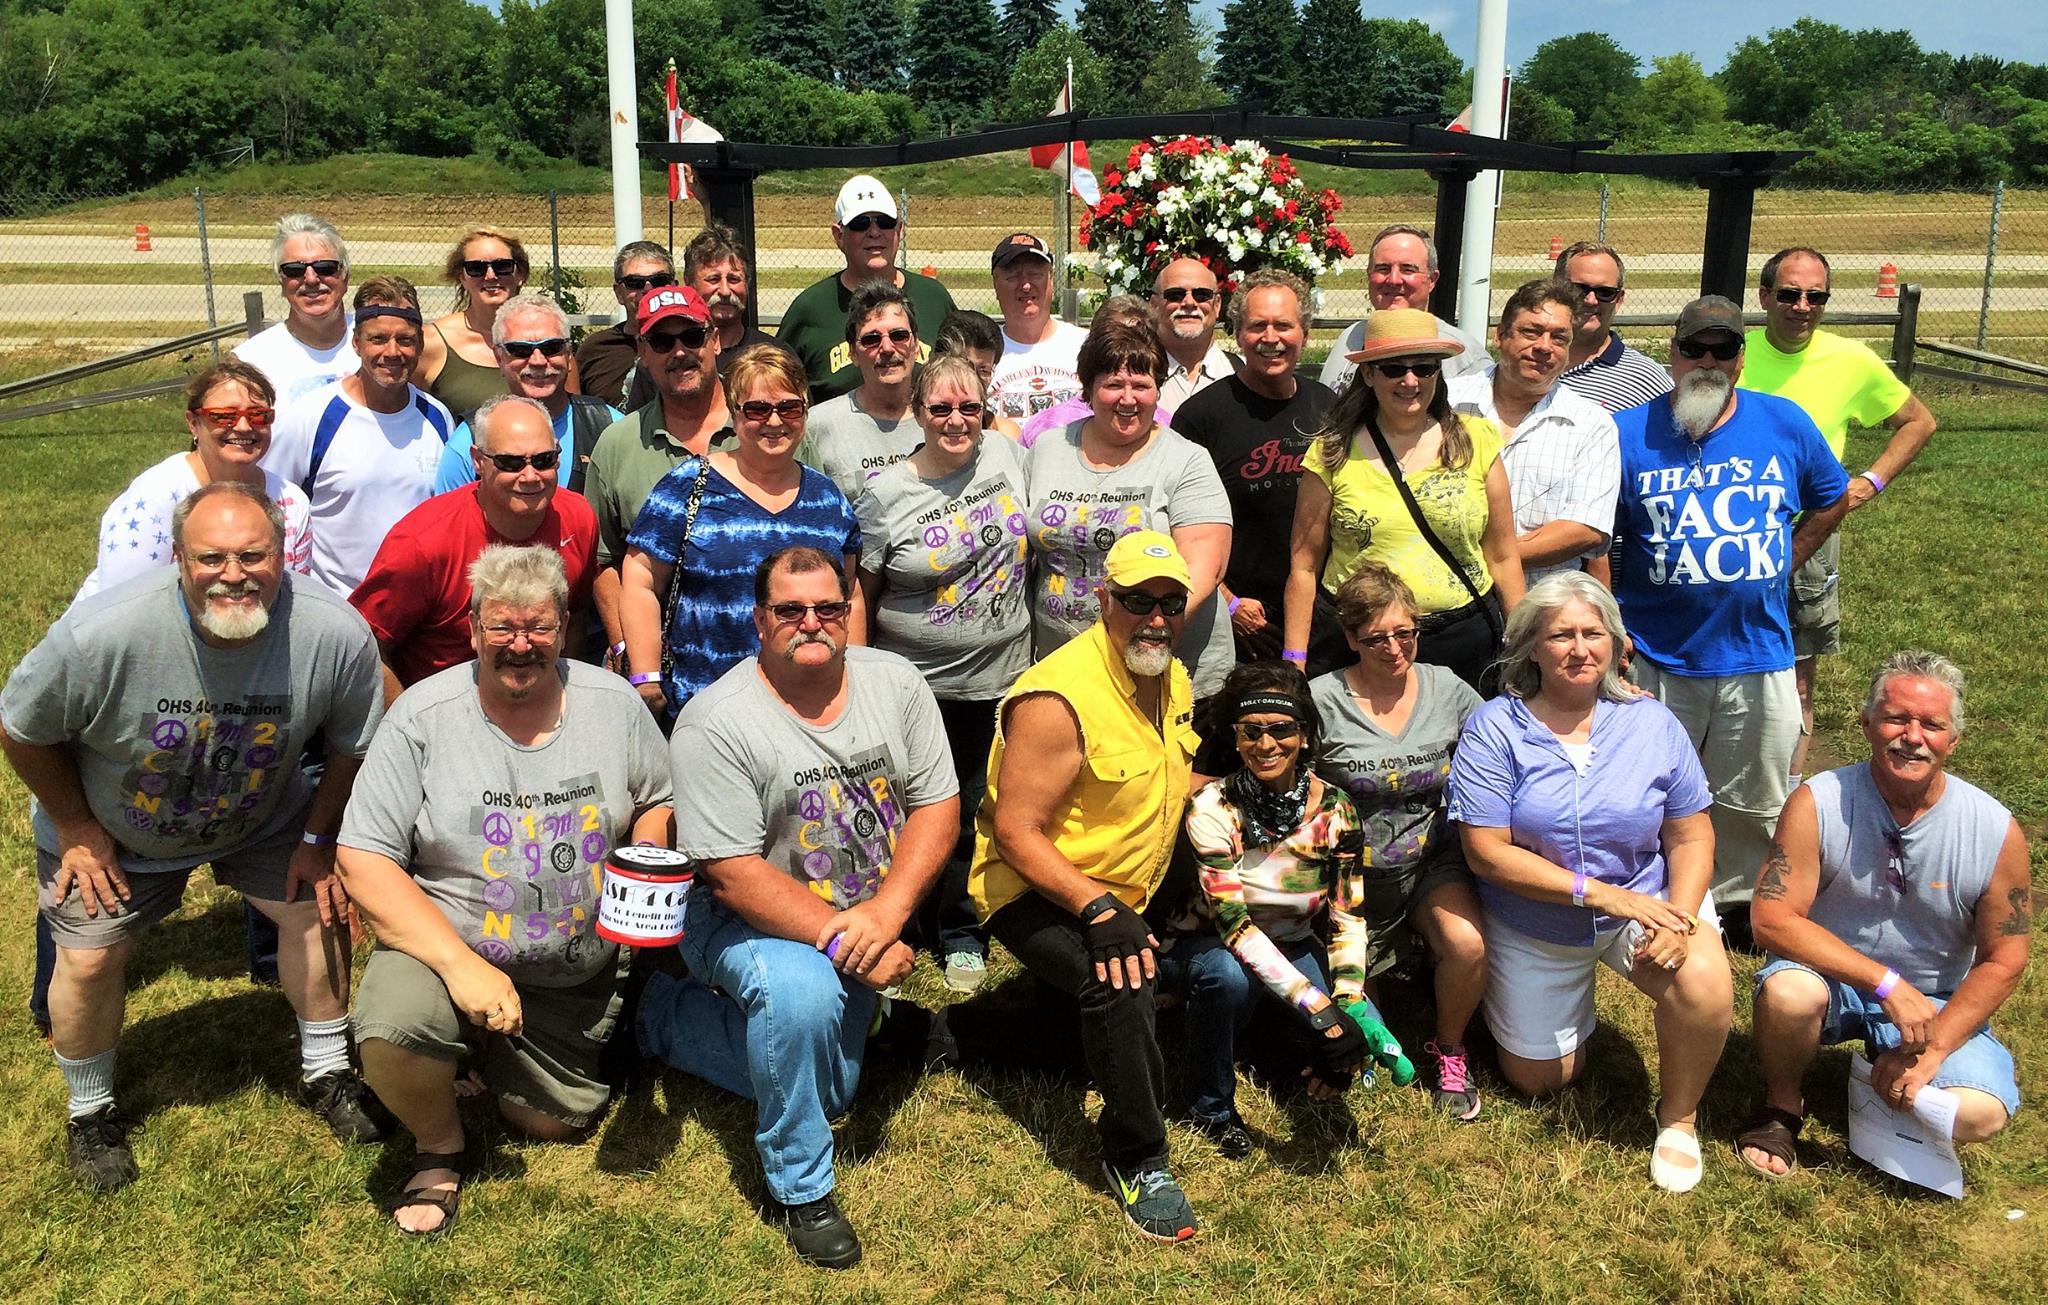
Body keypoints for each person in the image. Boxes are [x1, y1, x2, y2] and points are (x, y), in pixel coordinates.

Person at [1, 482, 388, 1192]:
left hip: (261, 815)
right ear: (178, 558)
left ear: (284, 553)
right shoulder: (102, 633)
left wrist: (317, 839)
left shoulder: (334, 633)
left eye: (253, 555)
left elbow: (350, 744)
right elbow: (21, 727)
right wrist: (78, 828)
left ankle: (329, 1071)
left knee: (317, 912)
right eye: (211, 557)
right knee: (88, 959)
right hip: (116, 829)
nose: (233, 574)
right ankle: (90, 1110)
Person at [636, 547, 959, 1269]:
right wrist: (854, 946)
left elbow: (937, 804)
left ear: (848, 612)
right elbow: (733, 875)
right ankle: (801, 1185)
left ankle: (841, 1024)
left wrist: (885, 916)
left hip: (860, 911)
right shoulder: (716, 721)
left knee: (829, 1080)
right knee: (803, 998)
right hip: (739, 917)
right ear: (759, 620)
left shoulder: (897, 682)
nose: (811, 622)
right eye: (790, 609)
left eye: (828, 608)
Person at [337, 545, 673, 1235]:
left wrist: (646, 860)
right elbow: (362, 856)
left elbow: (658, 796)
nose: (521, 643)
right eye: (503, 626)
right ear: (472, 629)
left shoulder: (613, 704)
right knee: (395, 1027)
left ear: (565, 627)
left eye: (539, 625)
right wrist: (461, 967)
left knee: (549, 1123)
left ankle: (486, 1054)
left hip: (573, 969)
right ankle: (439, 1145)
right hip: (448, 951)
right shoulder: (422, 716)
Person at [1448, 573, 1734, 1193]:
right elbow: (1487, 853)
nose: (1579, 649)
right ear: (1531, 647)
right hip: (1535, 920)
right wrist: (1599, 893)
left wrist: (1683, 918)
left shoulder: (1653, 722)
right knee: (1539, 1079)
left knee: (1705, 982)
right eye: (1561, 636)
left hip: (1645, 900)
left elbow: (1691, 836)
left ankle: (1678, 1118)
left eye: (1593, 633)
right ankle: (1549, 1002)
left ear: (1616, 644)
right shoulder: (1494, 728)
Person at [970, 530, 1204, 1242]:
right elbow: (1016, 833)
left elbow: (1167, 777)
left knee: (1063, 1045)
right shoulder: (1059, 699)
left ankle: (949, 1035)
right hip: (1033, 886)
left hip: (1125, 881)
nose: (1156, 618)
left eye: (1170, 603)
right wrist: (1098, 908)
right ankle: (1139, 1156)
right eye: (1138, 601)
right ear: (1103, 600)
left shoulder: (1171, 674)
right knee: (1123, 979)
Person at [1738, 651, 2030, 1179]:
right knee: (1788, 993)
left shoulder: (1995, 830)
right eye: (1897, 719)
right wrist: (1885, 984)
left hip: (1934, 999)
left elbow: (2005, 957)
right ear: (1867, 724)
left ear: (1953, 740)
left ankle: (1885, 1083)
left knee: (1980, 1114)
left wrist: (1935, 1047)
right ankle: (1782, 1106)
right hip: (1828, 978)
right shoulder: (1817, 802)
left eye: (1932, 725)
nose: (1912, 737)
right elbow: (1771, 918)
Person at [1611, 296, 1850, 911]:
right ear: (1673, 353)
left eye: (1723, 349)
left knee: (1754, 796)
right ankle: (1655, 892)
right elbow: (1599, 536)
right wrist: (1611, 627)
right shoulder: (1627, 432)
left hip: (1758, 650)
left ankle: (1740, 904)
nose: (1708, 361)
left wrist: (1788, 557)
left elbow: (1832, 495)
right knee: (1648, 787)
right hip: (1656, 651)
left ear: (1742, 358)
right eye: (1695, 348)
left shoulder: (1784, 421)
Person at [855, 354, 1030, 991]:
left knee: (976, 807)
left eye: (969, 407)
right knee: (908, 809)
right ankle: (893, 926)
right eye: (941, 408)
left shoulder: (1008, 457)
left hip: (1002, 678)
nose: (956, 420)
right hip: (918, 685)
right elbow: (861, 591)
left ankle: (961, 931)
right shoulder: (885, 495)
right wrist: (859, 673)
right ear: (918, 413)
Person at [1169, 662, 1383, 1159]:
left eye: (1281, 729)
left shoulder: (1337, 810)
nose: (1266, 745)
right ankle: (1208, 1105)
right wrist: (1320, 1011)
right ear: (1235, 737)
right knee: (1230, 979)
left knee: (1364, 1024)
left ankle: (1284, 1056)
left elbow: (1348, 917)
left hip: (1290, 944)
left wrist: (1347, 1004)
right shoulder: (1213, 807)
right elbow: (1233, 926)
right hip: (1208, 943)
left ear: (1304, 735)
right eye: (1251, 731)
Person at [1743, 247, 1940, 776]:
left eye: (1816, 296)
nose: (1802, 306)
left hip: (1811, 530)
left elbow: (1918, 421)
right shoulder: (1735, 354)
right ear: (1764, 297)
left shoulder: (1851, 360)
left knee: (1798, 676)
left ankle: (1787, 797)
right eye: (1789, 294)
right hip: (1733, 530)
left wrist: (1869, 483)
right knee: (1725, 665)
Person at [1309, 562, 1488, 1120]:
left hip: (1432, 859)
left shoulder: (1447, 688)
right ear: (1350, 638)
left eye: (1405, 633)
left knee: (1467, 946)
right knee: (1352, 1013)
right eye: (1376, 638)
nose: (1394, 648)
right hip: (1349, 876)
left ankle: (1450, 1049)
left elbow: (1502, 743)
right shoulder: (1321, 700)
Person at [619, 344, 863, 720]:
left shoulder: (827, 498)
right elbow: (641, 578)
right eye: (757, 409)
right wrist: (646, 677)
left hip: (810, 708)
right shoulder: (688, 486)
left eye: (789, 408)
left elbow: (850, 594)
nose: (774, 421)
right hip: (705, 707)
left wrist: (856, 678)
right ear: (734, 414)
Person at [1283, 308, 1524, 688]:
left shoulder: (1477, 440)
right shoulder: (1332, 451)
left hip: (1461, 643)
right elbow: (1304, 566)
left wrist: (1524, 644)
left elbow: (1503, 555)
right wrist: (1294, 661)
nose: (1410, 381)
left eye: (1424, 368)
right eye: (1394, 369)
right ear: (1368, 374)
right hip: (1359, 642)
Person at [1024, 319, 1235, 702]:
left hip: (1163, 668)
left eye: (1141, 385)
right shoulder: (1049, 448)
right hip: (1067, 668)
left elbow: (1206, 565)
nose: (1128, 398)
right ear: (1088, 388)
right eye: (1113, 384)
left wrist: (1139, 632)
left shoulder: (1186, 460)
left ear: (1158, 389)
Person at [353, 394, 600, 695]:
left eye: (543, 460)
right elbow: (365, 643)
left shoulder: (578, 518)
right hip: (439, 706)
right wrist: (406, 715)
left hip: (540, 703)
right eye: (510, 463)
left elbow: (574, 617)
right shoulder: (422, 544)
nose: (530, 476)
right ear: (478, 461)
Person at [1172, 268, 1335, 661]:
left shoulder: (1328, 407)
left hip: (1322, 620)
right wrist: (1227, 601)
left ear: (1305, 334)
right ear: (1238, 334)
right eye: (1258, 325)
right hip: (1240, 625)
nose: (1270, 338)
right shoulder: (1202, 416)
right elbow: (1176, 526)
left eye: (1284, 325)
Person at [263, 277, 453, 596]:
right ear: (356, 343)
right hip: (337, 606)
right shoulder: (311, 418)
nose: (392, 352)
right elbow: (270, 506)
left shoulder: (437, 417)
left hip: (417, 606)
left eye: (405, 340)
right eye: (377, 339)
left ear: (420, 344)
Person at [74, 359, 312, 604]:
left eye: (259, 416)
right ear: (193, 423)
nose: (243, 426)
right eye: (223, 416)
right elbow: (120, 602)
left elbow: (293, 600)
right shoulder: (155, 497)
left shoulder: (291, 503)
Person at [582, 286, 731, 665]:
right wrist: (626, 646)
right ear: (643, 354)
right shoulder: (617, 444)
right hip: (660, 663)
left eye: (692, 336)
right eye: (662, 342)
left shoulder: (769, 426)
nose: (679, 352)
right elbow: (602, 561)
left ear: (715, 340)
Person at [1447, 278, 1622, 584]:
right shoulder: (1446, 404)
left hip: (1540, 602)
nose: (1544, 347)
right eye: (1531, 332)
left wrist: (1482, 559)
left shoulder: (1592, 425)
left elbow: (1585, 529)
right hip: (1447, 601)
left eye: (1559, 338)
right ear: (1500, 335)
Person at [776, 175, 955, 401]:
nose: (874, 232)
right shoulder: (810, 308)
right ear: (839, 235)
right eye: (860, 223)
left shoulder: (934, 298)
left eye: (885, 222)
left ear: (899, 230)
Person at [434, 293, 622, 495]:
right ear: (500, 358)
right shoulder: (468, 441)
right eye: (520, 350)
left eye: (551, 347)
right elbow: (451, 513)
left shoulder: (610, 427)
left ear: (568, 354)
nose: (538, 361)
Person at [1317, 225, 1489, 395]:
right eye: (1383, 269)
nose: (1393, 280)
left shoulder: (1464, 357)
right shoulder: (1350, 339)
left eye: (1407, 269)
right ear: (1369, 275)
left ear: (1432, 280)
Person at [795, 283, 922, 500]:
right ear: (853, 353)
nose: (887, 348)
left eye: (899, 335)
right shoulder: (818, 426)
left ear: (916, 345)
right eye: (871, 339)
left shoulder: (942, 417)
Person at [1017, 295, 1178, 446]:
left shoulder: (1170, 431)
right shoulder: (1048, 429)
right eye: (1114, 341)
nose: (1128, 400)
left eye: (1138, 340)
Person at [234, 213, 359, 404]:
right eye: (294, 270)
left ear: (345, 276)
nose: (311, 279)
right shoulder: (250, 363)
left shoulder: (383, 343)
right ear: (281, 281)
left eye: (325, 267)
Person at [419, 228, 533, 423]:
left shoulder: (549, 342)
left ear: (520, 273)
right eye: (476, 268)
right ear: (462, 277)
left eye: (503, 266)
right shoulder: (430, 343)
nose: (490, 275)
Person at [1553, 242, 1672, 415]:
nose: (1591, 300)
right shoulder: (1528, 361)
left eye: (1605, 292)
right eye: (1578, 290)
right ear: (1555, 289)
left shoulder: (1645, 380)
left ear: (1619, 299)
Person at [986, 232, 1086, 423]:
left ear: (1051, 280)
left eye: (1035, 274)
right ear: (995, 285)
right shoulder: (982, 352)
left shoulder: (1086, 345)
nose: (1025, 285)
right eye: (1013, 276)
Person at [572, 240, 675, 410]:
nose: (648, 289)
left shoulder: (691, 344)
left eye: (659, 280)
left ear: (674, 287)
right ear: (619, 293)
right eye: (635, 282)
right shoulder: (595, 349)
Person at [1152, 255, 1239, 411]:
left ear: (1217, 305)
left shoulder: (1246, 373)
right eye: (1175, 295)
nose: (1189, 302)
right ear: (1154, 305)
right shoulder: (1130, 378)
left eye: (1202, 295)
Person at [688, 222, 774, 377]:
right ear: (690, 284)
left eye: (734, 279)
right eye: (713, 279)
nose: (725, 291)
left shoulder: (773, 357)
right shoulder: (675, 357)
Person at [932, 309, 1026, 442]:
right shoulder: (919, 427)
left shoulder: (1005, 434)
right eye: (965, 367)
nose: (974, 379)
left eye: (984, 371)